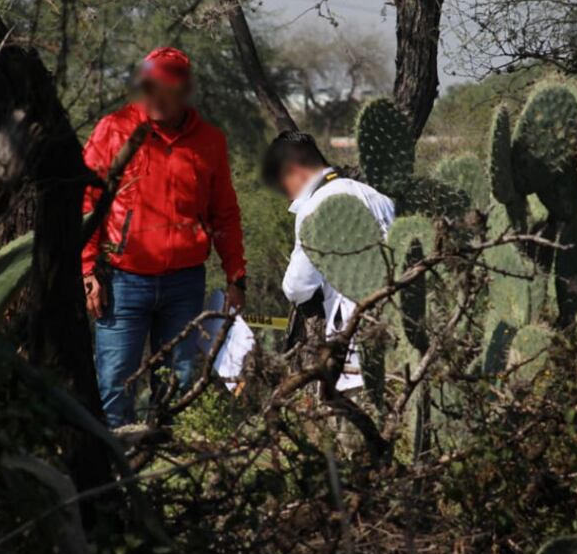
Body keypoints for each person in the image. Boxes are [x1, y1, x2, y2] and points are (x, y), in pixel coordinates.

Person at [82, 46, 247, 428]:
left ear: (183, 92)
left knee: (179, 385)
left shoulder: (209, 141)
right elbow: (85, 203)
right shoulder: (113, 129)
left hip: (185, 285)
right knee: (114, 385)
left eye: (164, 90)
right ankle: (116, 478)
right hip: (122, 282)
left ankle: (168, 471)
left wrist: (236, 275)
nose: (155, 97)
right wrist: (88, 269)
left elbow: (224, 212)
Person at [261, 131, 395, 390]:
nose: (286, 195)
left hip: (355, 349)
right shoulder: (379, 198)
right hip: (400, 339)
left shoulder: (314, 207)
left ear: (295, 170)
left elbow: (298, 287)